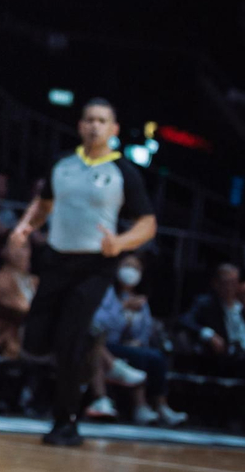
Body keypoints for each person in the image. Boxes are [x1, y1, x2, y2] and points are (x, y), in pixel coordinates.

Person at [10, 98, 158, 447]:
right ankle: (92, 352)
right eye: (89, 119)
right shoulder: (62, 164)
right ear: (80, 125)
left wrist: (120, 243)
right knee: (34, 340)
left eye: (102, 121)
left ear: (114, 130)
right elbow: (44, 203)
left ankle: (67, 421)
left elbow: (148, 224)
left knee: (68, 340)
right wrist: (25, 227)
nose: (94, 126)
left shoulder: (124, 172)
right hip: (57, 260)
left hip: (95, 265)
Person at [91, 254, 187, 426]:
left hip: (128, 345)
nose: (131, 271)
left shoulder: (141, 299)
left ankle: (160, 406)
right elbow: (98, 323)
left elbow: (146, 328)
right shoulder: (107, 294)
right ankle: (139, 406)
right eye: (127, 265)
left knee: (156, 357)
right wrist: (123, 307)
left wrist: (138, 342)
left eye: (136, 268)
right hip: (105, 344)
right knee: (139, 357)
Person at [177, 263, 245, 380]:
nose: (230, 288)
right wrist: (209, 334)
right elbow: (184, 320)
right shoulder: (206, 303)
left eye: (234, 283)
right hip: (227, 357)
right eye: (226, 283)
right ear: (216, 284)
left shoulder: (244, 305)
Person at [0, 234, 37, 361]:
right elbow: (24, 311)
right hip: (9, 340)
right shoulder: (1, 281)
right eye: (16, 247)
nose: (21, 252)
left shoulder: (34, 281)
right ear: (3, 251)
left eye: (25, 247)